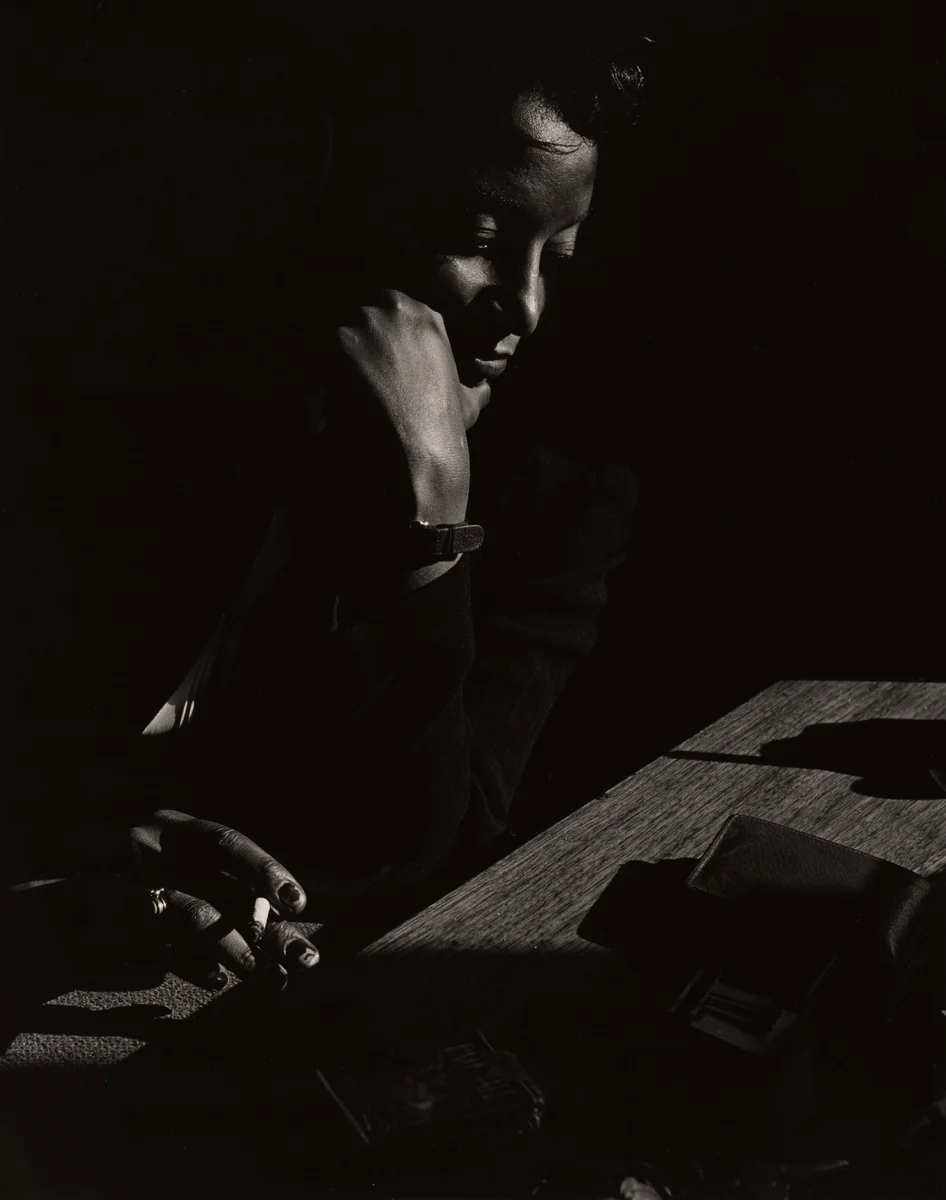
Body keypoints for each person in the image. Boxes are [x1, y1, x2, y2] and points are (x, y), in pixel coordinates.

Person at [6, 1, 648, 993]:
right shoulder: (105, 397)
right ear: (344, 197)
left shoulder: (558, 497)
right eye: (472, 234)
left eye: (556, 258)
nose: (521, 306)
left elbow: (429, 842)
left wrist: (429, 526)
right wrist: (66, 851)